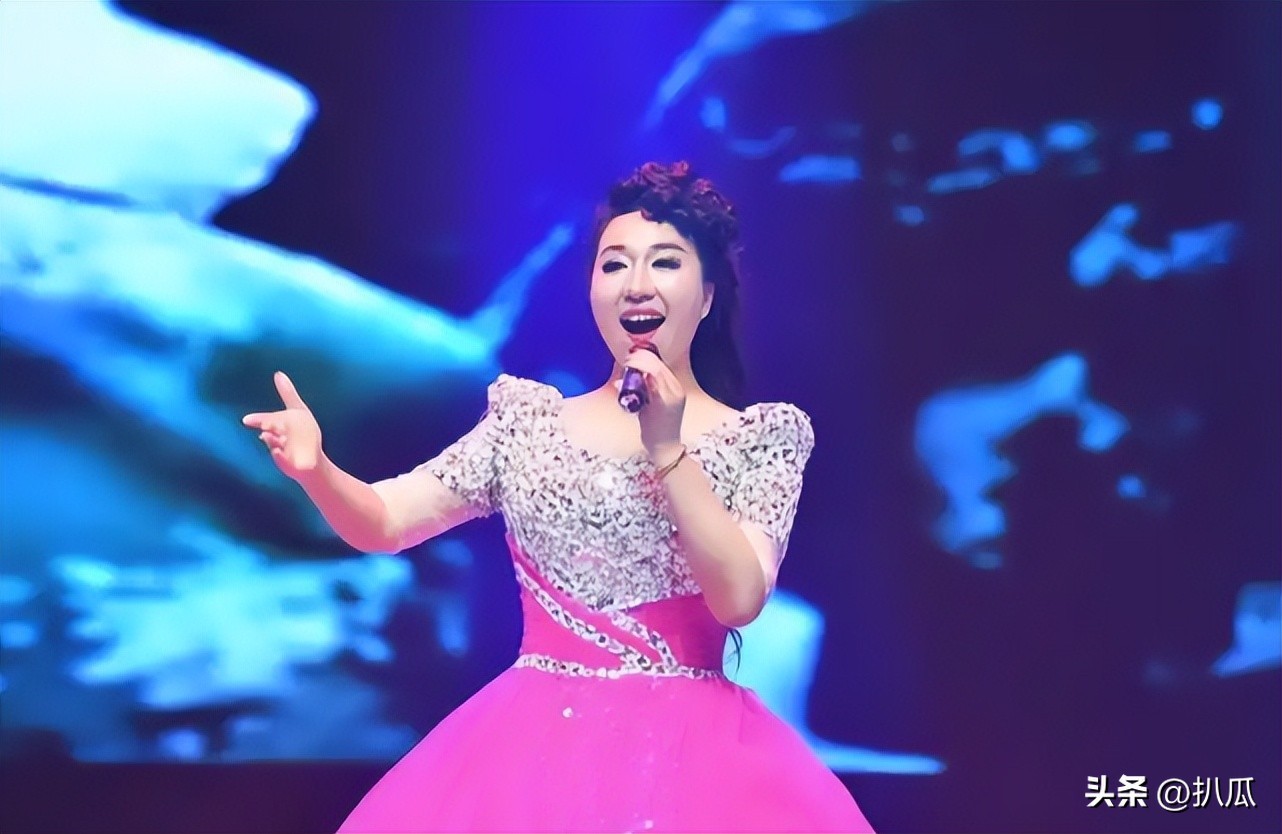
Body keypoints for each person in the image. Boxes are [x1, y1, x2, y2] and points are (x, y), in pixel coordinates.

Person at [242, 161, 876, 832]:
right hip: (532, 753)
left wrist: (668, 449)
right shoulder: (527, 425)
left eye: (665, 263)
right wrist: (318, 471)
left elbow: (739, 598)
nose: (636, 283)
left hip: (695, 765)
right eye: (614, 264)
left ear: (708, 294)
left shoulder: (761, 439)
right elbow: (386, 521)